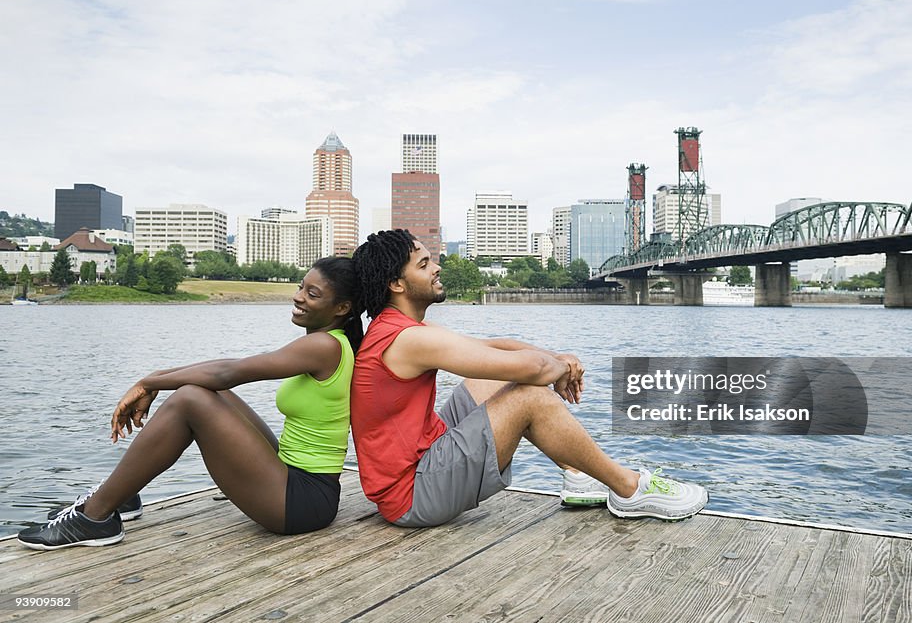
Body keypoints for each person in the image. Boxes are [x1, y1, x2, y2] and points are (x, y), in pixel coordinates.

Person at [350, 229, 707, 528]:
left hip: (422, 459)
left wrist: (557, 358)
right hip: (413, 495)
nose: (437, 267)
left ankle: (579, 476)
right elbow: (532, 372)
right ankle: (629, 489)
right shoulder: (410, 339)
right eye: (424, 264)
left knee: (487, 381)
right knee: (529, 398)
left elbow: (497, 348)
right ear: (396, 283)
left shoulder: (403, 329)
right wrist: (559, 369)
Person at [17, 257, 363, 550]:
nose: (298, 297)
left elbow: (229, 371)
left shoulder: (323, 346)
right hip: (295, 480)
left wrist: (149, 382)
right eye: (301, 286)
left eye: (312, 293)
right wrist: (154, 378)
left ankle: (95, 517)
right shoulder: (329, 343)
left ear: (342, 308)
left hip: (302, 502)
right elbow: (223, 374)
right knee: (209, 393)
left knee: (191, 399)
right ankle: (121, 496)